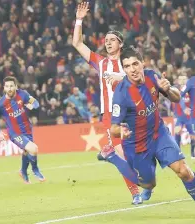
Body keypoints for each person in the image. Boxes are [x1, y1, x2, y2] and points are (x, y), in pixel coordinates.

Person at [100, 46, 195, 220]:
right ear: (124, 69)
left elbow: (176, 98)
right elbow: (113, 128)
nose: (132, 69)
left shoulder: (151, 76)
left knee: (184, 170)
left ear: (142, 63)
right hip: (137, 143)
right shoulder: (121, 94)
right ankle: (112, 157)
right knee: (148, 183)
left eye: (135, 63)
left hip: (159, 135)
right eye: (127, 66)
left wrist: (168, 88)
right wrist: (122, 131)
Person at [72, 2, 141, 204]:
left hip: (134, 113)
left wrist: (121, 80)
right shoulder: (100, 62)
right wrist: (79, 20)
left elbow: (140, 81)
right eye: (106, 40)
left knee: (138, 155)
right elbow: (77, 44)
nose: (108, 42)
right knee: (123, 154)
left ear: (120, 43)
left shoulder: (130, 61)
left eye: (112, 40)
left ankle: (116, 159)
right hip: (112, 115)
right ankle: (136, 193)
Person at [0, 76, 45, 184]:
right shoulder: (0, 104)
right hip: (14, 133)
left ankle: (23, 172)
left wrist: (33, 106)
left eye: (11, 86)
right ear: (4, 88)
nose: (9, 88)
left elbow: (36, 102)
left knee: (27, 151)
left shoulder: (23, 94)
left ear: (16, 86)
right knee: (33, 149)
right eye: (7, 86)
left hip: (27, 129)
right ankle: (35, 170)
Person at [173, 75, 195, 159]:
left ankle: (193, 153)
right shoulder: (175, 90)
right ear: (178, 81)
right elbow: (178, 100)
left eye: (184, 79)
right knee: (177, 131)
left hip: (190, 116)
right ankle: (178, 153)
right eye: (180, 79)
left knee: (193, 135)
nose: (182, 81)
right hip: (179, 116)